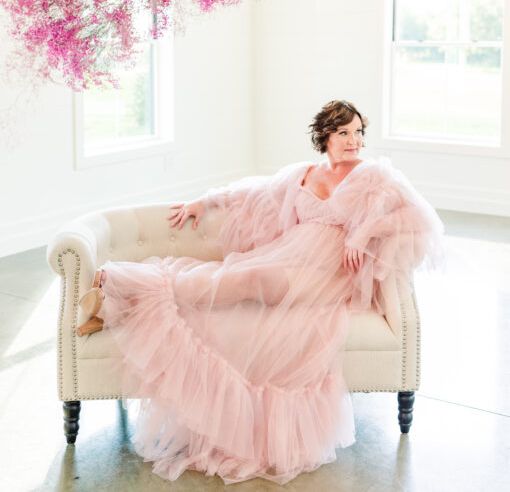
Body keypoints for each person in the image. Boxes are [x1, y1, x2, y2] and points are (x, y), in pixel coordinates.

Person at [76, 99, 445, 485]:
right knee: (229, 277)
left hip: (325, 275)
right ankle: (116, 302)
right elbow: (253, 192)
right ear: (324, 137)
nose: (354, 141)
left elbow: (418, 217)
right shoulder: (304, 174)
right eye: (344, 133)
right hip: (288, 257)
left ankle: (123, 288)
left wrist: (362, 233)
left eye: (358, 132)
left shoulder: (373, 176)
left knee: (245, 282)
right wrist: (206, 201)